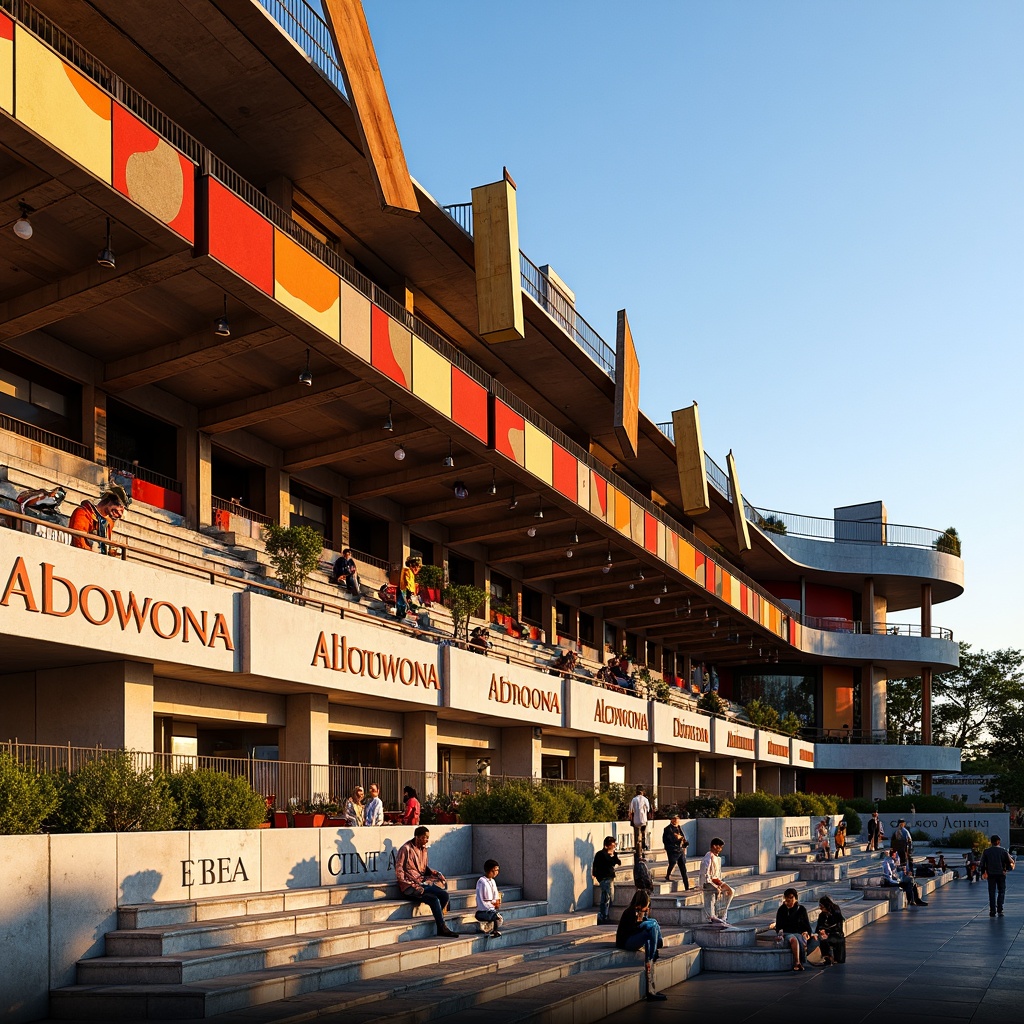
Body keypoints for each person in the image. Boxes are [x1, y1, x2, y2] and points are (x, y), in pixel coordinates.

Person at [395, 826, 458, 937]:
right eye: (425, 837)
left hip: (422, 883)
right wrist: (410, 886)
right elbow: (399, 870)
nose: (427, 840)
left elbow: (424, 868)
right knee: (433, 899)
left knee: (444, 895)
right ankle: (441, 927)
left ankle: (440, 921)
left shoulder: (424, 849)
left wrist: (436, 874)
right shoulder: (406, 849)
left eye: (428, 837)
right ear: (417, 837)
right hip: (410, 887)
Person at [615, 890, 667, 1001]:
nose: (647, 908)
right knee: (652, 927)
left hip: (633, 938)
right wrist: (645, 924)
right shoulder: (630, 912)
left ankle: (655, 948)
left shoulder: (639, 912)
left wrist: (646, 921)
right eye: (646, 905)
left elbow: (643, 924)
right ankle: (654, 952)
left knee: (653, 924)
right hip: (626, 942)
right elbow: (634, 928)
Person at [68, 483, 131, 554]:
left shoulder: (109, 522)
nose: (120, 514)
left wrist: (110, 552)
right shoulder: (83, 513)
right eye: (119, 505)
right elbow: (79, 542)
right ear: (108, 500)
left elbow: (105, 546)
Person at [772, 888, 819, 971]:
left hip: (799, 933)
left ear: (795, 898)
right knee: (793, 939)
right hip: (787, 934)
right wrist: (779, 932)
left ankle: (801, 960)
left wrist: (807, 933)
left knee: (802, 939)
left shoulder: (801, 909)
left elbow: (807, 925)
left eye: (791, 897)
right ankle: (797, 962)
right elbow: (779, 926)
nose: (789, 900)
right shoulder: (782, 910)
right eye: (787, 898)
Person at [699, 837, 735, 925]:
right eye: (720, 847)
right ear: (714, 846)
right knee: (715, 893)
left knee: (730, 891)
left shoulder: (716, 857)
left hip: (716, 880)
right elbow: (705, 874)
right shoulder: (708, 857)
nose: (721, 849)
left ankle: (723, 915)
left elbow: (717, 874)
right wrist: (714, 886)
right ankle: (712, 916)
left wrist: (720, 884)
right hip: (708, 882)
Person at [978, 834, 1015, 917]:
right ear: (998, 842)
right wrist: (1006, 870)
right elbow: (1009, 862)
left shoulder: (986, 851)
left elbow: (982, 863)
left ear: (991, 842)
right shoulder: (1003, 851)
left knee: (992, 892)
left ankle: (992, 911)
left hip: (991, 874)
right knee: (1001, 891)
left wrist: (983, 872)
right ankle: (1000, 909)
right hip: (1001, 874)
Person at [592, 835, 621, 924]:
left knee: (609, 897)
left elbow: (618, 862)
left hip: (609, 877)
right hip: (604, 878)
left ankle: (605, 914)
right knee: (606, 897)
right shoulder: (601, 854)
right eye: (613, 845)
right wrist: (595, 875)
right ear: (607, 845)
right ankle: (603, 915)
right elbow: (609, 862)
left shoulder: (611, 854)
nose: (614, 847)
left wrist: (614, 855)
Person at [475, 859, 503, 937]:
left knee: (497, 916)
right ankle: (494, 931)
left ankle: (494, 929)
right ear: (490, 870)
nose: (497, 872)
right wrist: (492, 905)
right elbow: (482, 899)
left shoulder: (493, 881)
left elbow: (495, 895)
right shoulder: (482, 881)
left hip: (491, 909)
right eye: (496, 870)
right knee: (494, 916)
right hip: (483, 911)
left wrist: (497, 903)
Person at [814, 895, 846, 965]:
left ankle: (831, 957)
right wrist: (820, 931)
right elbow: (818, 927)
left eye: (821, 906)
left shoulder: (835, 912)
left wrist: (827, 932)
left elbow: (838, 927)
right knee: (821, 939)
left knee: (829, 939)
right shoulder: (822, 915)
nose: (820, 908)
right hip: (825, 934)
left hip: (836, 934)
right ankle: (827, 957)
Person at [662, 814, 690, 888]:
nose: (676, 820)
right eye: (674, 819)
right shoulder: (667, 829)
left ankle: (687, 886)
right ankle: (668, 875)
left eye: (677, 819)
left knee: (683, 868)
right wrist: (677, 838)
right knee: (672, 863)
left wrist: (684, 842)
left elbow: (683, 837)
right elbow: (667, 840)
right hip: (672, 850)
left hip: (680, 850)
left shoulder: (679, 827)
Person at [629, 785, 651, 859]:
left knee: (636, 834)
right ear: (642, 792)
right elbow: (648, 809)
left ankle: (637, 847)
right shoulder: (645, 799)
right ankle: (643, 846)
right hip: (644, 820)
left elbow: (631, 810)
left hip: (636, 820)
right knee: (643, 833)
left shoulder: (634, 799)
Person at [395, 556, 421, 620]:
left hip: (405, 590)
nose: (417, 571)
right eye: (416, 568)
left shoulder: (409, 572)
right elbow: (408, 583)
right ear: (412, 566)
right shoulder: (408, 571)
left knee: (403, 604)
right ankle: (400, 615)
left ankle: (401, 615)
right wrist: (410, 593)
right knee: (402, 603)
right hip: (405, 590)